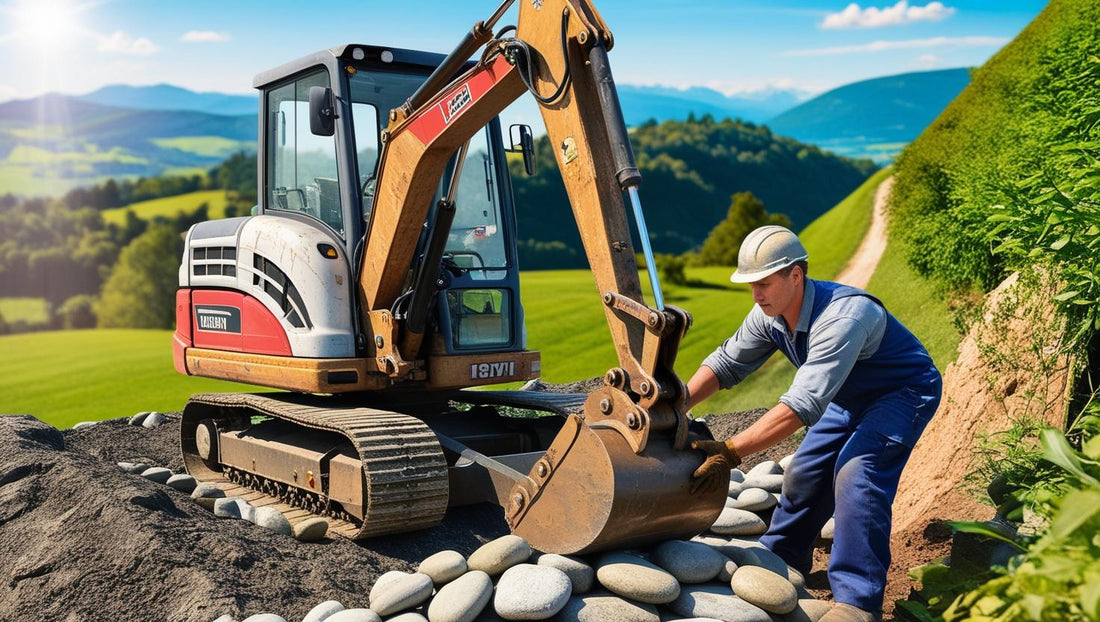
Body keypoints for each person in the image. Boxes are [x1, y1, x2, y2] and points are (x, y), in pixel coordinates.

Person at [685, 225, 942, 622]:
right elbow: (725, 364)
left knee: (857, 474)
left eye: (764, 284)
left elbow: (800, 406)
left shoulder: (844, 316)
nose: (756, 295)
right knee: (805, 470)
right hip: (848, 396)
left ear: (796, 275)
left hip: (902, 393)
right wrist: (675, 402)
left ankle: (858, 600)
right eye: (751, 285)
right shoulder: (769, 313)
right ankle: (784, 558)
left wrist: (731, 451)